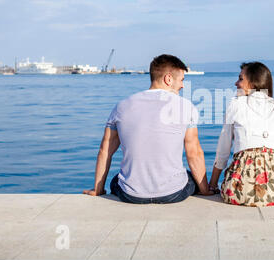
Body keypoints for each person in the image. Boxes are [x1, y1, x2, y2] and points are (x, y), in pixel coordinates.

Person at [83, 54, 213, 203]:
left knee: (117, 179)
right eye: (182, 80)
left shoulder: (121, 106)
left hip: (131, 196)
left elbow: (105, 151)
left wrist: (98, 189)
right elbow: (194, 153)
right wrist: (205, 190)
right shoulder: (186, 107)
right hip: (172, 194)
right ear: (168, 79)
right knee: (190, 177)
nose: (183, 85)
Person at [208, 62, 274, 207]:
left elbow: (223, 150)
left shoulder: (235, 105)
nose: (236, 83)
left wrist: (212, 184)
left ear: (253, 84)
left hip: (237, 192)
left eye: (240, 79)